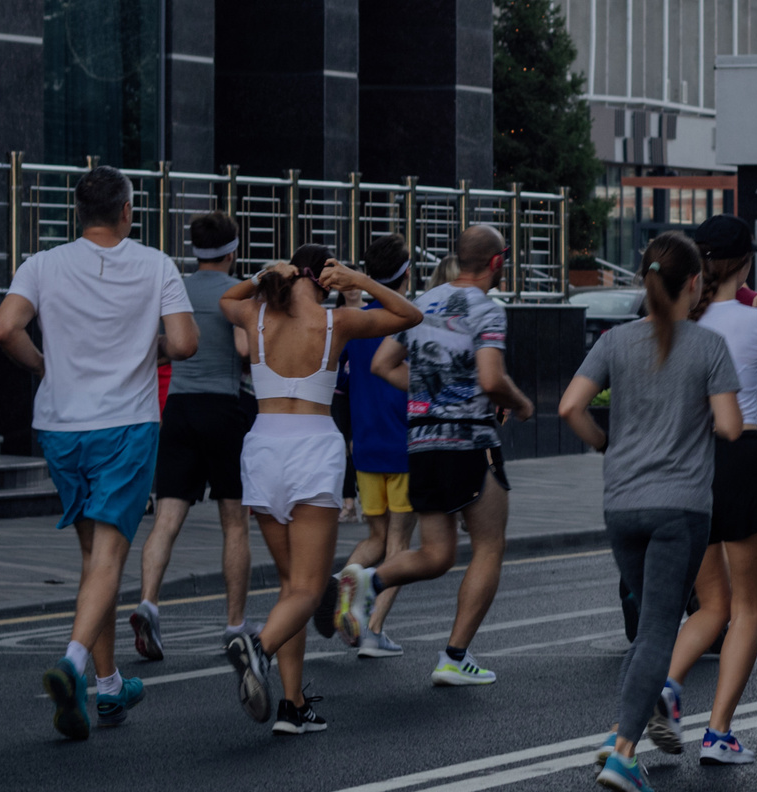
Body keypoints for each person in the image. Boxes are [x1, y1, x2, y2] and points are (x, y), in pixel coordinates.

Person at [0, 166, 199, 741]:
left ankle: (108, 690)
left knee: (93, 561)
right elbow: (184, 343)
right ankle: (72, 665)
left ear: (78, 213)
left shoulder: (41, 264)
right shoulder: (156, 264)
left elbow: (5, 327)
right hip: (126, 425)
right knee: (110, 558)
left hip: (60, 427)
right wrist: (144, 345)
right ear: (127, 211)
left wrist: (42, 365)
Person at [556, 232, 743, 792]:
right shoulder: (707, 346)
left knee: (649, 630)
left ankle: (622, 731)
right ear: (693, 284)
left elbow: (569, 407)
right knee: (661, 630)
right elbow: (731, 426)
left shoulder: (614, 342)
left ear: (644, 278)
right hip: (679, 507)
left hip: (621, 504)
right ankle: (625, 754)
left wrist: (605, 444)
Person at [217, 247, 421, 732]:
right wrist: (363, 281)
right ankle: (257, 648)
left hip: (263, 448)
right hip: (312, 450)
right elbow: (408, 314)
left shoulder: (255, 312)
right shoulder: (337, 322)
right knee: (309, 589)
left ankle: (292, 705)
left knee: (294, 589)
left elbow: (227, 297)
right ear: (326, 279)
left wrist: (264, 275)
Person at [647, 215, 757, 766]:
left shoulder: (671, 323)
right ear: (745, 264)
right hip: (741, 457)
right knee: (746, 608)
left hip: (687, 462)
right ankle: (719, 733)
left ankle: (668, 686)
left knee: (708, 604)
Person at [334, 225, 536, 680]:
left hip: (421, 443)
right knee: (488, 546)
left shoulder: (423, 303)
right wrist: (519, 403)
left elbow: (383, 364)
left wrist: (430, 393)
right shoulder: (488, 310)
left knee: (438, 553)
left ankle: (367, 580)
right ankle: (454, 656)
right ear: (496, 262)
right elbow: (489, 379)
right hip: (470, 442)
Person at [131, 210, 253, 661]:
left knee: (166, 519)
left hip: (178, 409)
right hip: (222, 408)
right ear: (232, 250)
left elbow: (160, 344)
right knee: (234, 521)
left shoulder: (175, 287)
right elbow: (243, 349)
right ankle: (235, 624)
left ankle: (148, 602)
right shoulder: (238, 293)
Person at [335, 234, 415, 657]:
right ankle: (373, 630)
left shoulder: (353, 324)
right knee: (400, 546)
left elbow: (344, 384)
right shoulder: (408, 319)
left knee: (375, 536)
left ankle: (345, 581)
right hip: (403, 444)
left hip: (364, 444)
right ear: (406, 275)